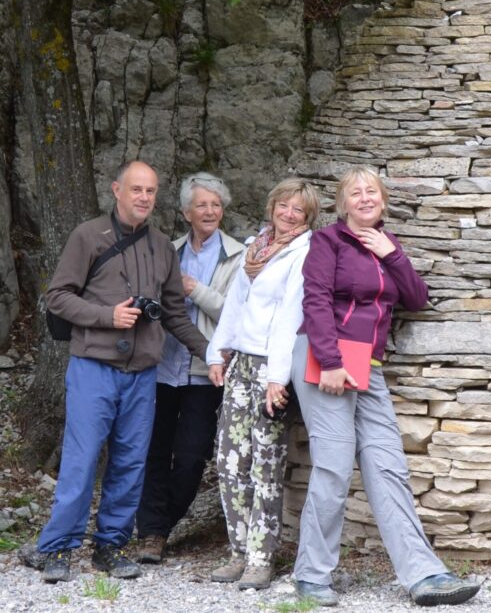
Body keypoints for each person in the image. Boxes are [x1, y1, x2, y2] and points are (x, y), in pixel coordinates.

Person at [289, 165, 480, 608]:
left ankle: (424, 575)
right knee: (334, 466)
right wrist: (332, 361)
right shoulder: (327, 241)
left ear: (382, 199)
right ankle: (311, 576)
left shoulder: (386, 244)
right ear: (343, 203)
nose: (364, 198)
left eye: (371, 191)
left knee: (387, 465)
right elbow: (315, 299)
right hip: (326, 358)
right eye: (355, 192)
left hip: (368, 365)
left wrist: (392, 254)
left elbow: (416, 297)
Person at [27, 161, 209, 584]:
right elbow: (57, 297)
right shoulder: (88, 235)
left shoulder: (162, 245)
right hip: (93, 367)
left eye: (151, 191)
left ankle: (110, 546)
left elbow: (175, 315)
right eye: (137, 189)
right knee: (82, 459)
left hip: (142, 372)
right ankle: (57, 548)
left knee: (130, 462)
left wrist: (212, 352)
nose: (144, 197)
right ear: (117, 190)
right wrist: (107, 315)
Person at [206, 178, 320, 590]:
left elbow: (291, 316)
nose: (289, 214)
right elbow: (237, 303)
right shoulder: (256, 247)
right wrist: (218, 352)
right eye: (285, 205)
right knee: (230, 462)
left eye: (299, 211)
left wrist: (277, 379)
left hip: (273, 371)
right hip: (241, 365)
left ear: (308, 219)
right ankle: (237, 551)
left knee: (265, 465)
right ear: (272, 205)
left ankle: (260, 558)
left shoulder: (303, 253)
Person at [135, 173, 245, 563]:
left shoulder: (239, 255)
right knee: (154, 451)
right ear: (186, 212)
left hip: (206, 371)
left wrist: (194, 289)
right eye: (202, 204)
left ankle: (162, 524)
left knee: (192, 454)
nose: (210, 211)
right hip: (162, 367)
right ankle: (151, 533)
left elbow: (237, 313)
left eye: (216, 204)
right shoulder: (168, 250)